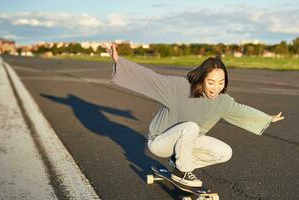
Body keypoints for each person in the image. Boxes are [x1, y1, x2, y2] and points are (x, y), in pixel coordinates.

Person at [103, 43, 284, 187]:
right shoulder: (179, 88)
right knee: (191, 126)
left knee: (224, 152)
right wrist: (118, 60)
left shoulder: (223, 101)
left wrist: (267, 118)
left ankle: (178, 165)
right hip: (160, 141)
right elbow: (149, 78)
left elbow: (241, 110)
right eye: (211, 82)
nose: (216, 87)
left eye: (221, 82)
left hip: (185, 142)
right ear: (201, 79)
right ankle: (183, 171)